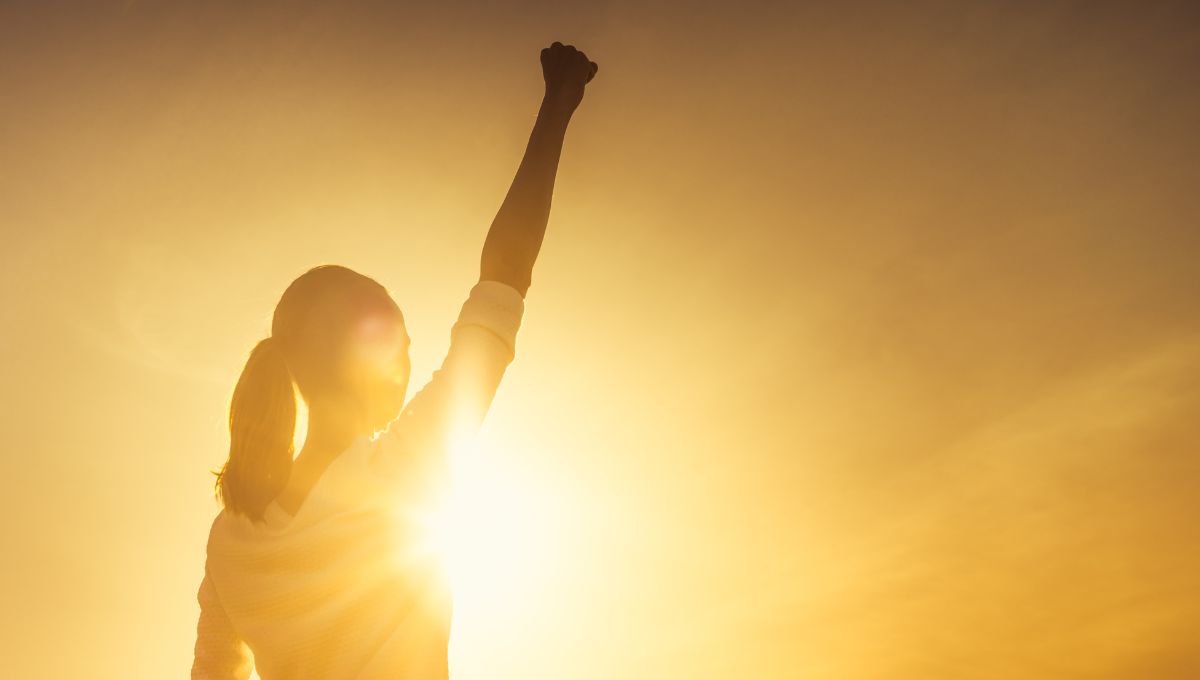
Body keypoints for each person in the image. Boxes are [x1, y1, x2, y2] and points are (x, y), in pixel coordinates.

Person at [191, 41, 598, 679]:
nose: (409, 357)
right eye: (399, 341)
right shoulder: (406, 468)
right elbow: (504, 278)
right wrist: (557, 107)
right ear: (367, 357)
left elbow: (212, 675)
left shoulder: (231, 539)